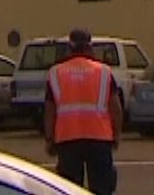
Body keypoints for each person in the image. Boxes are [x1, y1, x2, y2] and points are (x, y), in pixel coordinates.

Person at [43, 28, 121, 195]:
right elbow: (116, 108)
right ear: (89, 47)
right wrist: (116, 135)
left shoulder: (56, 73)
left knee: (69, 189)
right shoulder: (104, 72)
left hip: (67, 139)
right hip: (99, 138)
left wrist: (50, 138)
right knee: (102, 188)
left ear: (69, 48)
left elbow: (50, 110)